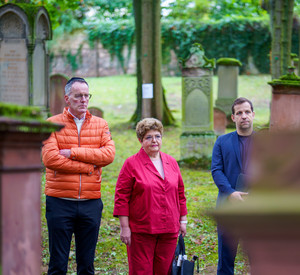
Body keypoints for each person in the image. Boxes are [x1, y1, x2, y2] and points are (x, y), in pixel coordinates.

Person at [42, 77, 115, 274]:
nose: (83, 100)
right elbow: (51, 160)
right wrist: (90, 167)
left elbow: (108, 155)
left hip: (91, 202)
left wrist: (74, 152)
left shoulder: (101, 125)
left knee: (87, 263)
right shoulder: (52, 124)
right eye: (78, 96)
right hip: (59, 201)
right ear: (67, 98)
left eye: (86, 95)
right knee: (57, 263)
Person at [113, 118, 188, 275]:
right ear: (140, 140)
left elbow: (180, 192)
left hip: (169, 229)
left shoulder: (171, 162)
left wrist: (183, 220)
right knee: (141, 272)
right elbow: (122, 197)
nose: (154, 140)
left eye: (157, 136)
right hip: (142, 230)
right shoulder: (131, 164)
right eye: (148, 137)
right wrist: (124, 227)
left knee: (164, 271)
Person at [211, 97, 255, 275]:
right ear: (233, 117)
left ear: (253, 114)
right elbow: (216, 170)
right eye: (239, 113)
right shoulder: (222, 142)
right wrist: (230, 193)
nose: (243, 116)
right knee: (226, 261)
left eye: (246, 112)